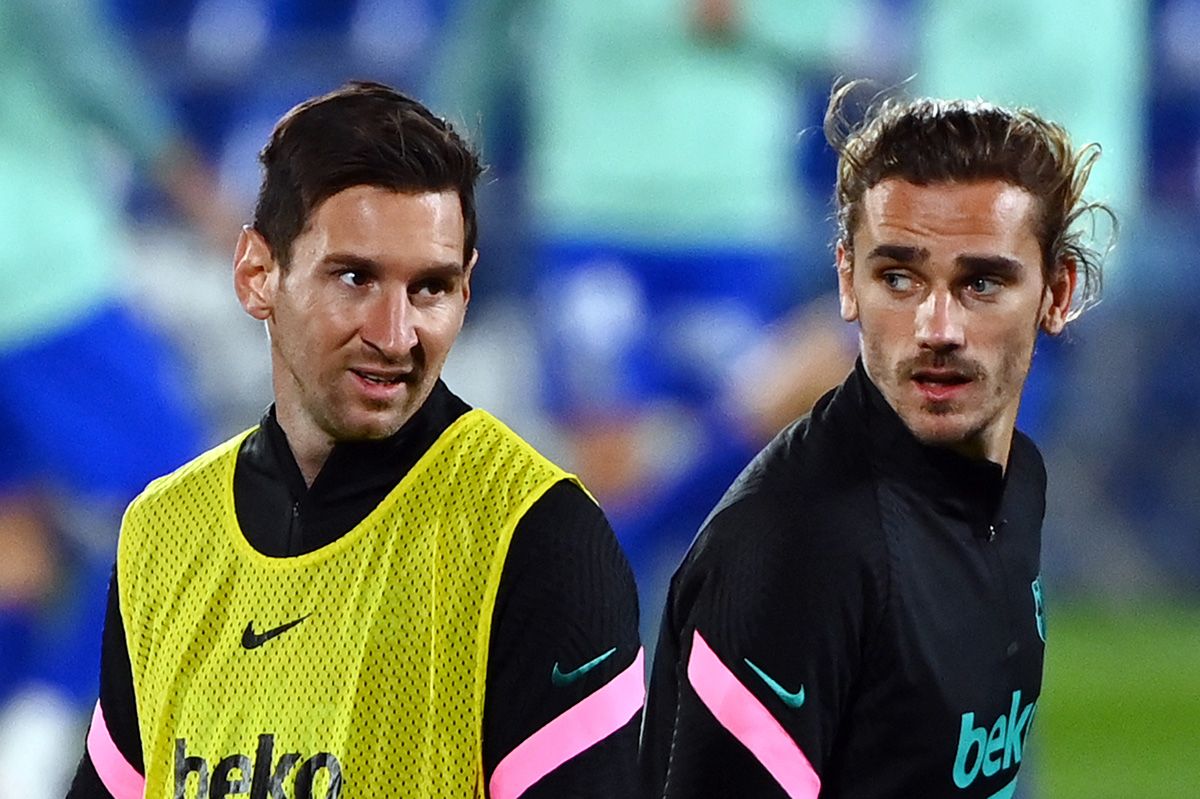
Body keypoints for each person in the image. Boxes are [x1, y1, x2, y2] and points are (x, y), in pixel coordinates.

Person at [67, 82, 642, 799]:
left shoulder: (540, 539)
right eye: (355, 277)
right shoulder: (162, 533)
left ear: (467, 290)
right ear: (257, 275)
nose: (394, 334)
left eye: (429, 288)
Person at [641, 82, 1109, 798]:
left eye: (982, 283)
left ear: (1057, 293)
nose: (938, 328)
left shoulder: (1016, 483)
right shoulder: (797, 554)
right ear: (846, 282)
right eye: (899, 277)